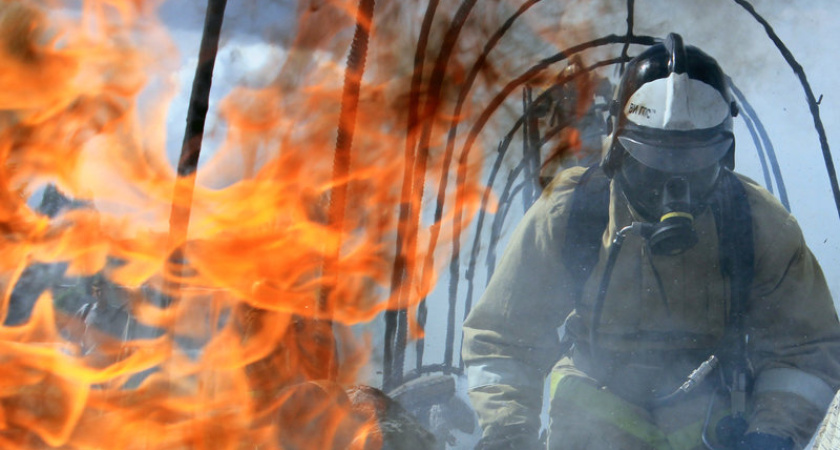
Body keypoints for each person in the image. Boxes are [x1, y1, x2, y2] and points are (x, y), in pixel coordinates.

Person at [461, 33, 840, 450]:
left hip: (711, 418)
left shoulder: (758, 224)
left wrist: (773, 433)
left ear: (724, 156)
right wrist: (509, 431)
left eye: (695, 168)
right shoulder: (573, 211)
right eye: (654, 164)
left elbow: (807, 351)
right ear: (616, 152)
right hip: (591, 415)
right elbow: (502, 337)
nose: (673, 189)